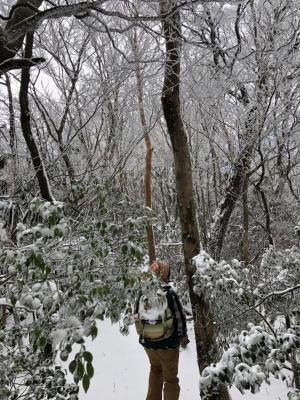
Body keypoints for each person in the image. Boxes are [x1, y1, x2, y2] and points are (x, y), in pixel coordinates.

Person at [134, 260, 189, 400]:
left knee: (155, 370)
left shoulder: (142, 291)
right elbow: (179, 316)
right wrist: (182, 335)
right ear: (164, 273)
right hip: (168, 344)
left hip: (149, 344)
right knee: (170, 379)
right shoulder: (169, 292)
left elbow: (136, 314)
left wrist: (143, 333)